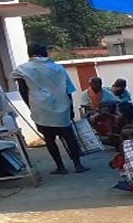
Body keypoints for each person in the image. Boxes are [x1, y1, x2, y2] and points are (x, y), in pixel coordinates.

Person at [12, 43, 88, 174]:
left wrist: (31, 106)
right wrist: (70, 108)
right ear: (45, 53)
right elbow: (68, 89)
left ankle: (60, 167)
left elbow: (23, 91)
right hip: (62, 105)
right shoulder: (58, 68)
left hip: (40, 108)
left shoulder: (23, 69)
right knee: (69, 136)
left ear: (30, 54)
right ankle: (78, 165)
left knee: (49, 139)